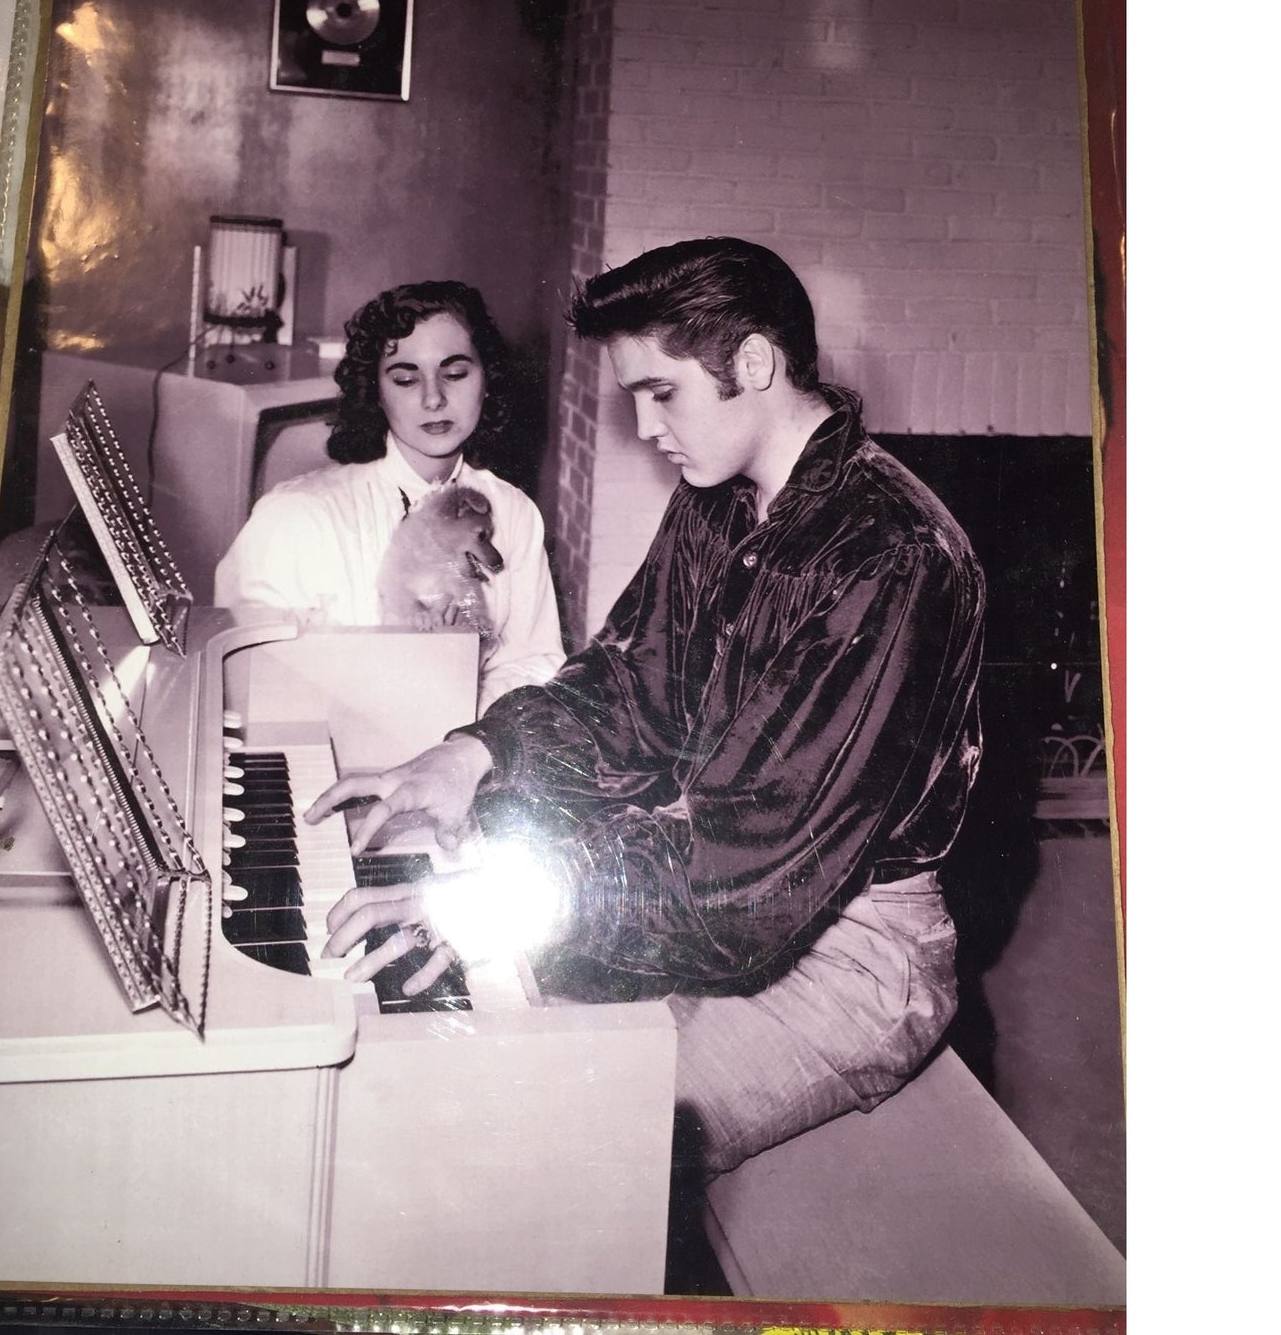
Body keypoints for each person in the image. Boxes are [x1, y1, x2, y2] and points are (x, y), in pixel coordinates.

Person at [308, 239, 986, 1174]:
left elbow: (740, 875)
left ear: (752, 363)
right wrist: (471, 753)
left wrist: (490, 902)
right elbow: (631, 687)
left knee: (560, 1151)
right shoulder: (719, 495)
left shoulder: (890, 557)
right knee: (466, 1047)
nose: (641, 425)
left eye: (659, 391)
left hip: (853, 953)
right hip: (713, 871)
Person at [214, 280, 565, 713]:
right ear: (376, 391)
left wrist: (458, 741)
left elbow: (532, 664)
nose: (433, 398)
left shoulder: (513, 512)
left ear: (487, 380)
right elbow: (247, 677)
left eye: (455, 373)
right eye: (404, 379)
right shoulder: (297, 516)